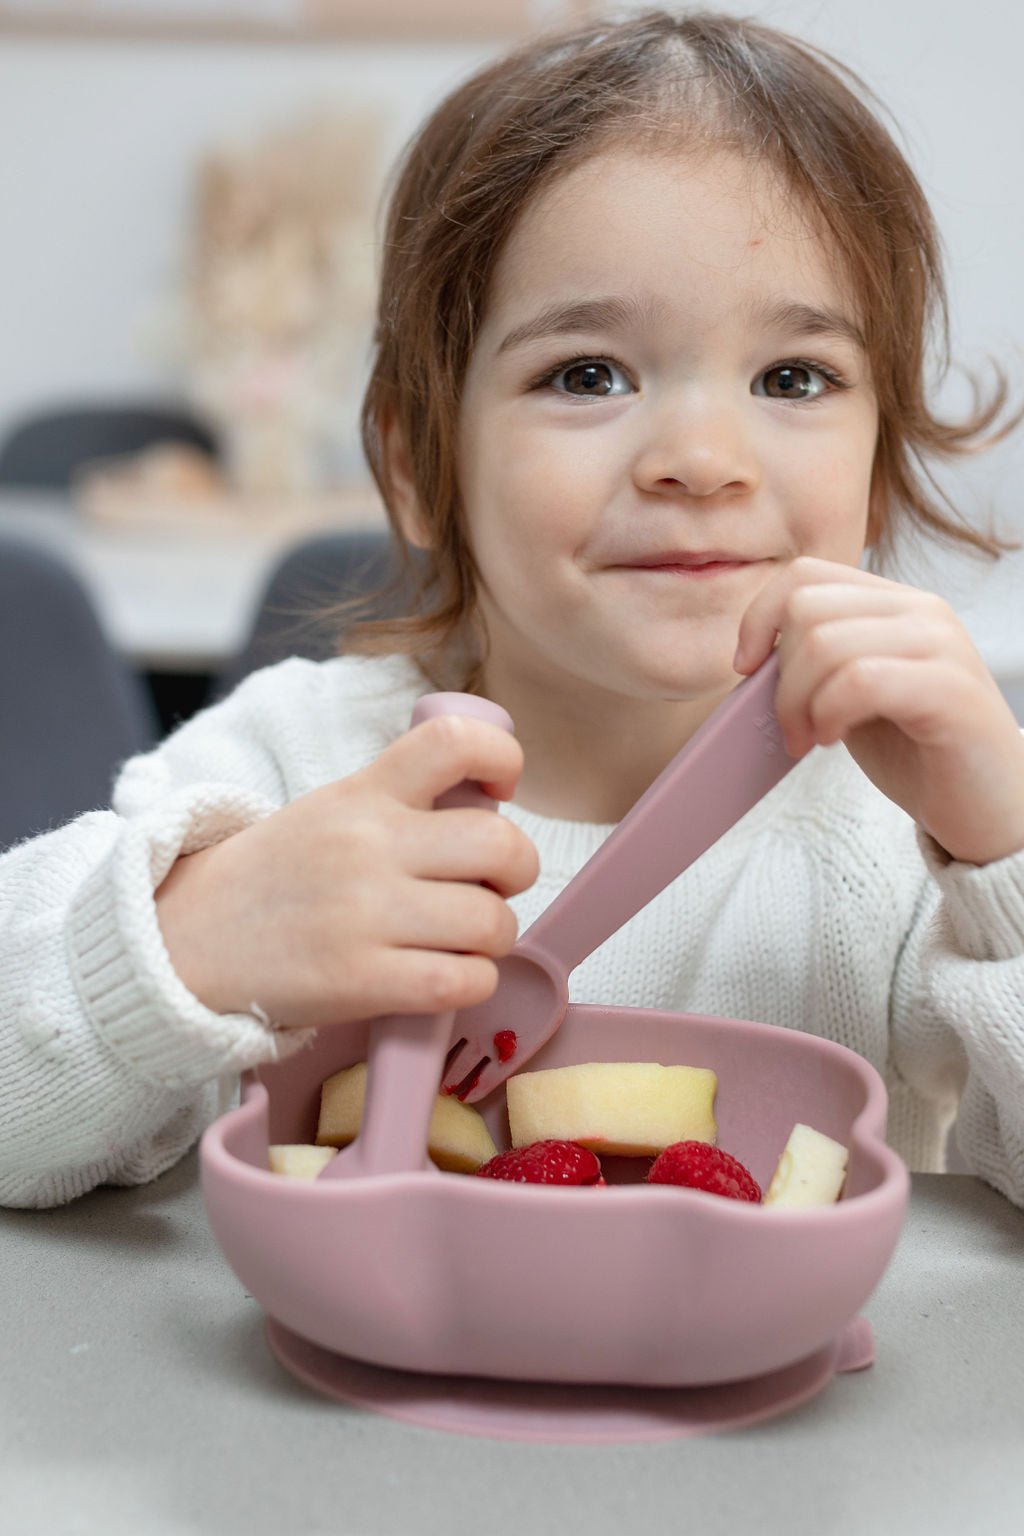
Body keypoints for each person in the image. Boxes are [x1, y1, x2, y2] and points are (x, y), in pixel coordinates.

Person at [2, 9, 1023, 1211]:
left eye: (793, 378)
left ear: (879, 458)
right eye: (586, 374)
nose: (700, 457)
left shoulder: (905, 834)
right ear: (418, 464)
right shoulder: (288, 770)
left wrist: (1002, 857)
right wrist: (197, 934)